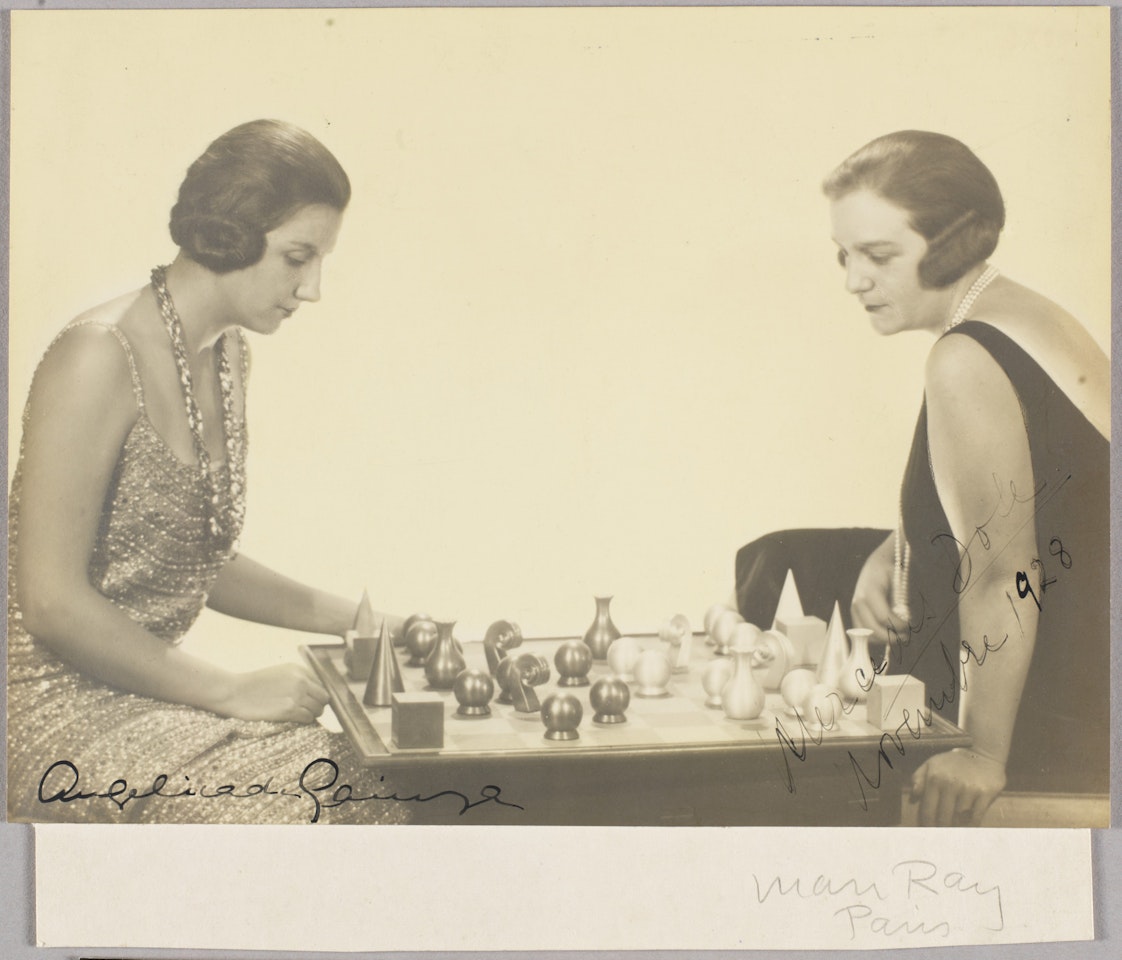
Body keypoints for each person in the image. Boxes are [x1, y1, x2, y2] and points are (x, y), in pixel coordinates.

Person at [7, 119, 413, 824]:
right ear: (231, 233)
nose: (312, 289)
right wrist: (231, 691)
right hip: (50, 708)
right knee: (306, 813)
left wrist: (362, 621)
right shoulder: (96, 355)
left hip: (144, 698)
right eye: (297, 258)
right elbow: (50, 601)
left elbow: (194, 558)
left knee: (376, 783)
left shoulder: (226, 356)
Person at [734, 131, 1109, 826]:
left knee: (775, 771)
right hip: (1079, 676)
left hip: (1057, 715)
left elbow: (1004, 576)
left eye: (878, 256)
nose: (854, 280)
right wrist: (896, 546)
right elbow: (1023, 490)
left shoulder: (964, 358)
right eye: (844, 255)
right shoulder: (1011, 314)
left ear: (955, 245)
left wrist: (980, 754)